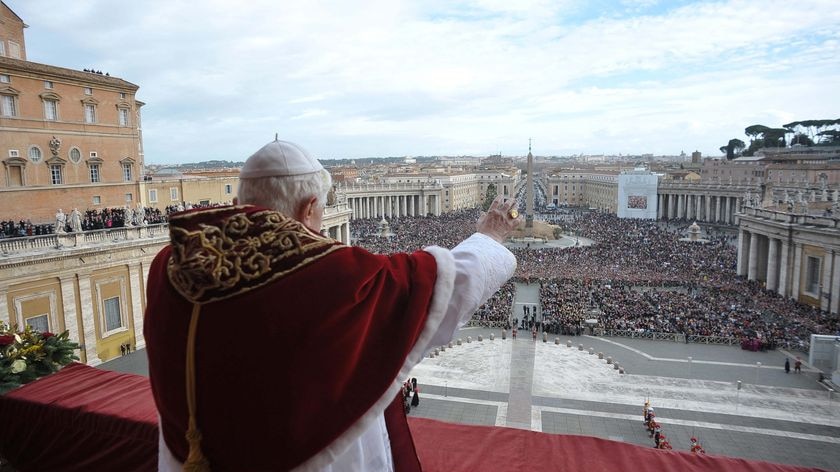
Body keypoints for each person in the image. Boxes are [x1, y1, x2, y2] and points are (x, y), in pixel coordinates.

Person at [144, 138, 520, 471]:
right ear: (309, 209)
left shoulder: (172, 265)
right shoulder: (333, 276)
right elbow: (442, 286)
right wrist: (490, 235)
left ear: (239, 202)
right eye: (322, 212)